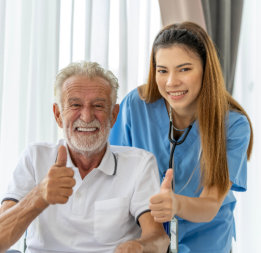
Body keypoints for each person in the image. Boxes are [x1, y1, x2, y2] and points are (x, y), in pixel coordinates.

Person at [109, 21, 253, 253]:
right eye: (162, 70)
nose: (171, 82)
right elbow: (114, 175)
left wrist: (175, 203)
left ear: (206, 70)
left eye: (184, 69)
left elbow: (210, 205)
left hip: (207, 239)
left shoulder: (233, 126)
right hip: (148, 237)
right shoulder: (136, 106)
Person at [0, 61, 170, 253]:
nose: (87, 116)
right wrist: (39, 195)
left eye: (98, 105)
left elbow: (158, 238)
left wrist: (139, 246)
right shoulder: (34, 157)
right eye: (75, 105)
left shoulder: (140, 163)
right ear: (57, 115)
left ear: (114, 115)